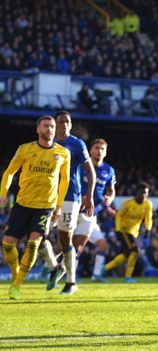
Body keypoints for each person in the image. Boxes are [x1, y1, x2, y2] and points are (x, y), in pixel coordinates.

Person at [0, 115, 70, 300]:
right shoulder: (25, 149)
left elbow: (65, 180)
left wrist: (59, 205)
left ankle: (16, 285)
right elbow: (9, 172)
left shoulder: (63, 153)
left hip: (45, 207)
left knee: (33, 244)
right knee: (7, 244)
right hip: (22, 204)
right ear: (37, 129)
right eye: (46, 126)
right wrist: (3, 193)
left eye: (52, 126)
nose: (50, 129)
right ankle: (17, 275)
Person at [46, 111, 96, 295]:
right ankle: (55, 267)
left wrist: (89, 196)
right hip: (48, 197)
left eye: (67, 122)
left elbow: (90, 171)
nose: (64, 125)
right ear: (55, 124)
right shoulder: (47, 144)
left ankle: (71, 282)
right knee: (38, 235)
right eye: (61, 122)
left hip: (69, 197)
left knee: (65, 240)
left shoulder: (76, 144)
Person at [73, 138, 117, 282]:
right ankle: (68, 274)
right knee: (73, 245)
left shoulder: (109, 170)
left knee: (102, 245)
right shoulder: (82, 166)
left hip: (92, 214)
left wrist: (109, 199)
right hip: (75, 210)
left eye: (102, 149)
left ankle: (96, 275)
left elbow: (111, 190)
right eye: (96, 148)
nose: (99, 151)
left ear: (105, 153)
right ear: (90, 150)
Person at [104, 181, 153, 283]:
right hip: (123, 230)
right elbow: (118, 216)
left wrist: (148, 229)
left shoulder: (148, 204)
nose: (144, 195)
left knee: (126, 254)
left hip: (133, 232)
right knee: (135, 250)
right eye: (142, 192)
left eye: (146, 193)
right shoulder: (127, 204)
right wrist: (117, 229)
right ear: (137, 192)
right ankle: (128, 277)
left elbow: (149, 218)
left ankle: (103, 269)